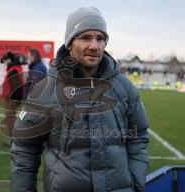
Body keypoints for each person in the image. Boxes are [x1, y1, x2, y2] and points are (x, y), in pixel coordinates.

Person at [11, 7, 149, 192]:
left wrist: (136, 181)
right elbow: (24, 149)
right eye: (85, 38)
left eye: (100, 39)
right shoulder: (45, 91)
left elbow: (138, 136)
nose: (94, 46)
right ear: (69, 43)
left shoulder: (124, 87)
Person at [0, 52, 25, 144]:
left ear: (9, 60)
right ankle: (13, 140)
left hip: (12, 99)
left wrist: (12, 99)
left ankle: (13, 141)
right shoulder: (16, 69)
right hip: (14, 99)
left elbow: (16, 87)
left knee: (9, 120)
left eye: (6, 60)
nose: (5, 62)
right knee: (11, 119)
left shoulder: (13, 70)